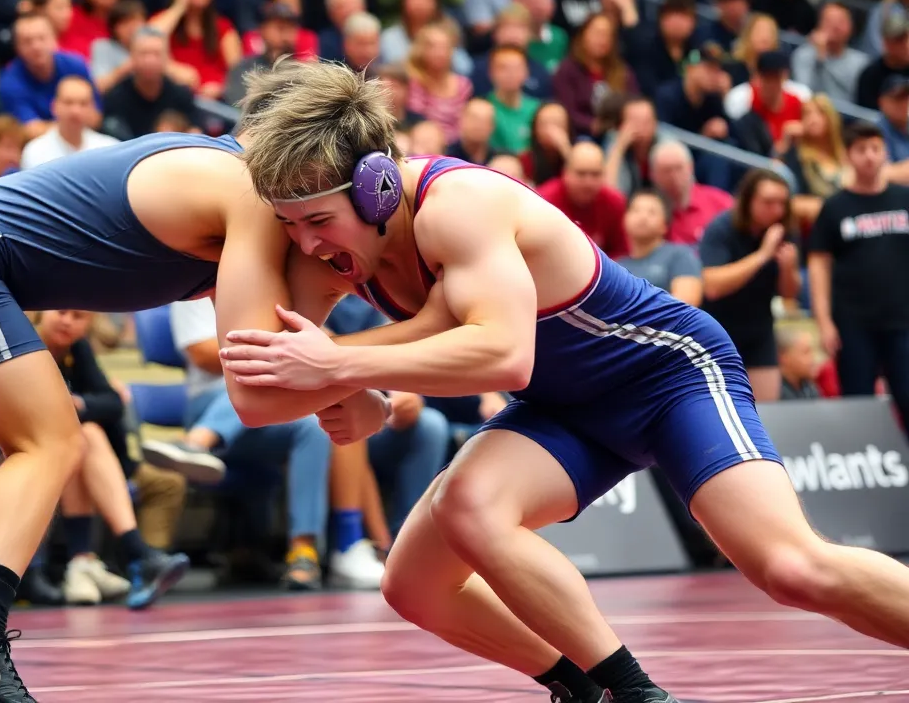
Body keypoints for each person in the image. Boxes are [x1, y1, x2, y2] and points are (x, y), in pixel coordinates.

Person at [219, 60, 909, 703]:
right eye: (287, 226)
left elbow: (501, 354)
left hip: (665, 375)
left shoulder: (458, 206)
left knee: (790, 567)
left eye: (316, 222)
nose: (306, 245)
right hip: (562, 407)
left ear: (378, 186)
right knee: (416, 582)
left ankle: (633, 695)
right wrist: (361, 395)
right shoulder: (332, 248)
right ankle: (590, 686)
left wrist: (343, 368)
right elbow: (273, 387)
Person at [0, 128, 401, 701]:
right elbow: (255, 392)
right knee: (51, 443)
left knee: (36, 444)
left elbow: (278, 342)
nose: (327, 256)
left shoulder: (233, 187)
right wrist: (360, 385)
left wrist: (350, 380)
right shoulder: (253, 200)